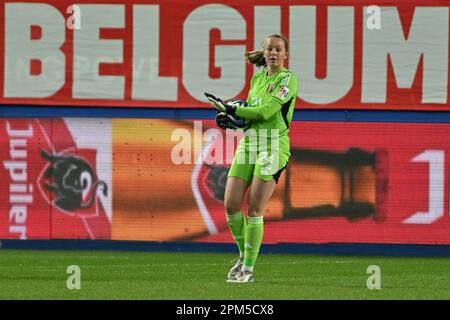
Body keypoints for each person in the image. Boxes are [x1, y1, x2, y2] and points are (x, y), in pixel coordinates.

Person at [208, 34, 298, 283]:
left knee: (255, 207)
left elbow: (266, 111)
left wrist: (231, 109)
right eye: (269, 48)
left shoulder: (288, 79)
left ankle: (247, 269)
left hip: (273, 145)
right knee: (231, 204)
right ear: (264, 51)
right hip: (249, 143)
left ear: (285, 54)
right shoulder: (258, 77)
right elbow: (251, 113)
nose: (273, 53)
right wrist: (236, 118)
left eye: (278, 49)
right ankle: (241, 256)